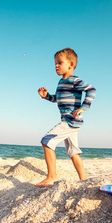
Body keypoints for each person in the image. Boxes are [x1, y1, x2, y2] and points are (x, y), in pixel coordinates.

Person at [36, 48, 96, 187]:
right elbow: (58, 99)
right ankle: (84, 180)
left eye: (59, 62)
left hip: (71, 120)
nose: (56, 65)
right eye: (55, 63)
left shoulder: (74, 80)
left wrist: (83, 107)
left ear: (71, 64)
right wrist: (47, 96)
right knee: (73, 152)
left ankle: (51, 177)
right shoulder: (61, 82)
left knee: (46, 141)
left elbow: (92, 90)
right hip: (70, 121)